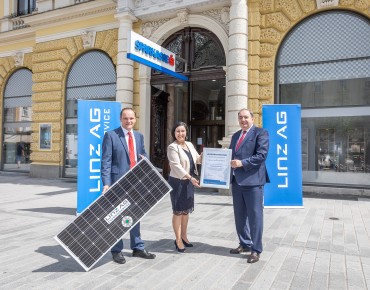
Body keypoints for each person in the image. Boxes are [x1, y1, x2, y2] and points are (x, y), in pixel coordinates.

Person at [101, 107, 156, 264]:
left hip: (135, 183)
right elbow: (106, 162)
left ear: (135, 119)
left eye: (131, 118)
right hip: (118, 183)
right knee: (118, 216)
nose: (129, 121)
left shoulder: (139, 136)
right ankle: (116, 250)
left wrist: (144, 159)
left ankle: (137, 247)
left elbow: (143, 155)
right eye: (126, 118)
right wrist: (106, 184)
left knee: (135, 214)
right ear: (121, 119)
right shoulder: (111, 136)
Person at [229, 108, 269, 263]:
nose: (243, 120)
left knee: (255, 217)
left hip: (253, 182)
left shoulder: (261, 133)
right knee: (239, 217)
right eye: (240, 118)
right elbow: (230, 155)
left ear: (252, 118)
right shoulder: (235, 136)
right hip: (237, 181)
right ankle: (244, 243)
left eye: (246, 117)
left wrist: (242, 163)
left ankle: (256, 249)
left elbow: (262, 155)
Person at [167, 122, 202, 252]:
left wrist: (208, 154)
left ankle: (184, 236)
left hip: (188, 182)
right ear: (174, 133)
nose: (180, 134)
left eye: (182, 131)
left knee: (186, 211)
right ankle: (178, 240)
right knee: (178, 211)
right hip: (178, 182)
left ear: (186, 132)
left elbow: (197, 159)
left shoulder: (190, 145)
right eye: (177, 131)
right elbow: (176, 166)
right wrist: (190, 177)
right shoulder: (172, 147)